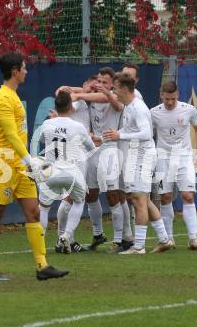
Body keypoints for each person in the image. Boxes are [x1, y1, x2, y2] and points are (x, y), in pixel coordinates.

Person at [0, 52, 69, 281]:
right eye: (24, 68)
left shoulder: (13, 96)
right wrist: (30, 159)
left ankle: (42, 266)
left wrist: (25, 161)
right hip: (4, 162)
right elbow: (9, 133)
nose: (26, 71)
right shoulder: (3, 98)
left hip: (18, 164)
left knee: (34, 211)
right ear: (15, 71)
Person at [104, 72, 173, 254]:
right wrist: (104, 138)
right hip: (136, 156)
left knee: (138, 199)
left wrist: (121, 136)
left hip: (144, 157)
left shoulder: (138, 108)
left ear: (125, 89)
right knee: (144, 200)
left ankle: (139, 246)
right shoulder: (128, 106)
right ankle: (165, 239)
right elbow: (126, 130)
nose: (113, 92)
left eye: (115, 88)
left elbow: (146, 134)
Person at [72, 67, 134, 253]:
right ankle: (98, 234)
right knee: (90, 194)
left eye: (104, 82)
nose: (100, 85)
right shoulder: (92, 95)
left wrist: (80, 95)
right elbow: (63, 91)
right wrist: (80, 90)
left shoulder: (116, 98)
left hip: (110, 150)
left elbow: (110, 101)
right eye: (98, 81)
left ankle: (118, 240)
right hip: (93, 150)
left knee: (113, 195)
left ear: (113, 85)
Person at [38, 91, 96, 254]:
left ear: (55, 107)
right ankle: (66, 235)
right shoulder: (78, 127)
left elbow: (42, 140)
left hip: (50, 171)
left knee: (43, 207)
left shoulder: (47, 124)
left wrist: (52, 121)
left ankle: (40, 243)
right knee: (79, 201)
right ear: (71, 107)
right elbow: (91, 147)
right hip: (72, 172)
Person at [151, 80, 197, 250]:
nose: (169, 102)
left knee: (188, 196)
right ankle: (169, 239)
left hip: (183, 157)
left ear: (178, 95)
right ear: (161, 95)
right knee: (165, 197)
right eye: (167, 99)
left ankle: (193, 239)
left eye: (173, 99)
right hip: (163, 158)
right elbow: (148, 135)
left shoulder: (189, 109)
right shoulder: (154, 113)